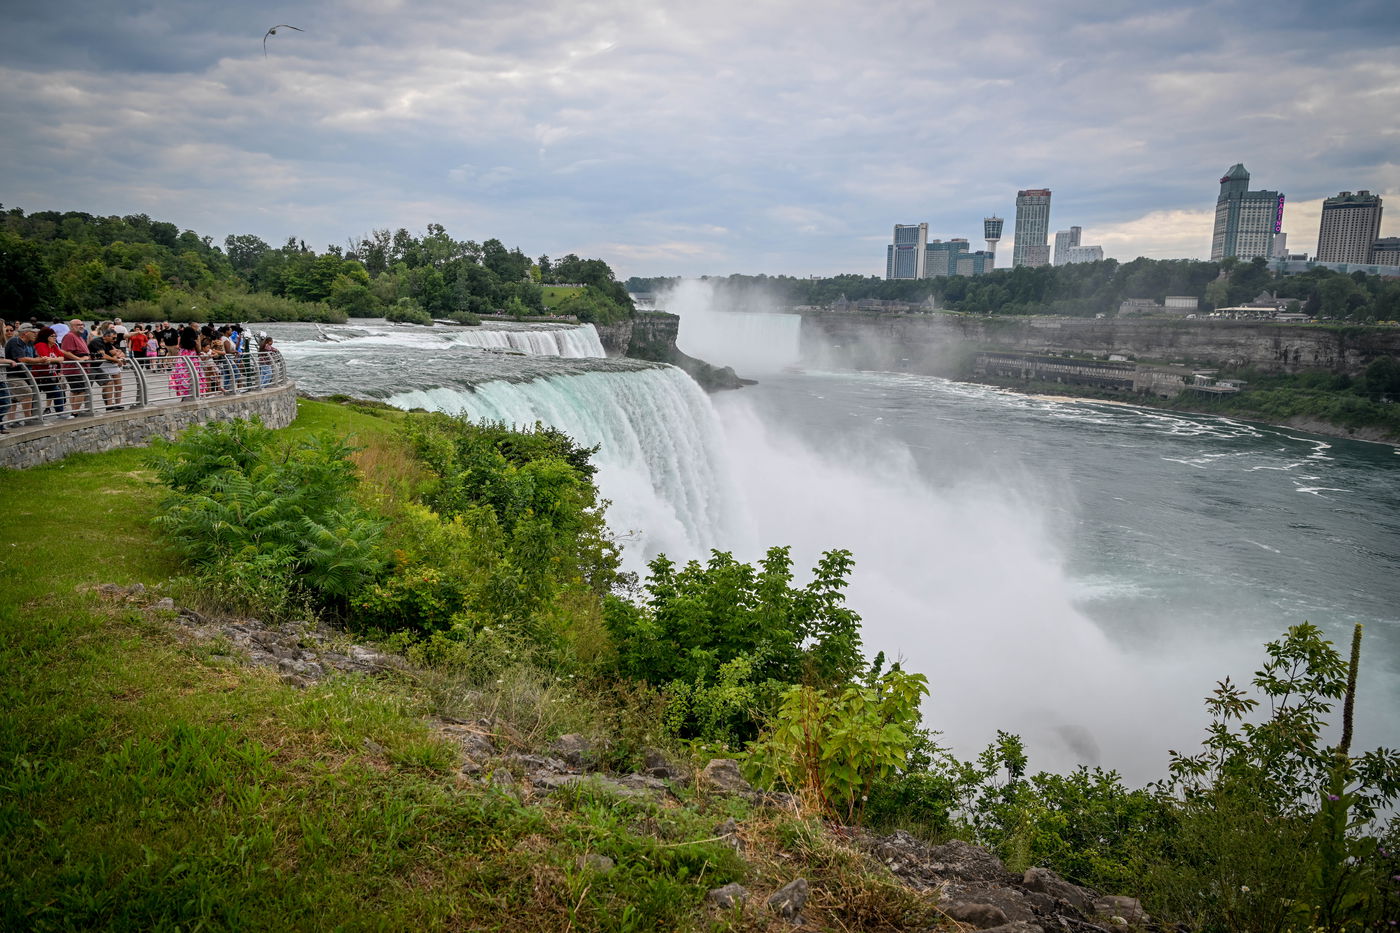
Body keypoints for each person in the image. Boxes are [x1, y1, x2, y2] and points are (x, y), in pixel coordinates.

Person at [4, 323, 46, 426]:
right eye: (33, 332)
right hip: (13, 374)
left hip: (25, 374)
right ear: (25, 333)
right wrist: (40, 360)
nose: (35, 334)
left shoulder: (30, 343)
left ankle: (12, 421)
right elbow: (21, 359)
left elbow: (36, 357)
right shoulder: (15, 341)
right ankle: (29, 419)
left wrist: (41, 359)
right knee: (26, 392)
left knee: (14, 398)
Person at [34, 326, 70, 418]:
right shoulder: (41, 345)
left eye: (55, 336)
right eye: (52, 336)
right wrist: (55, 359)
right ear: (46, 336)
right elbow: (44, 358)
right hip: (39, 376)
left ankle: (59, 412)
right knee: (34, 396)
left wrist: (52, 359)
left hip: (50, 375)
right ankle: (34, 416)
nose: (55, 338)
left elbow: (62, 358)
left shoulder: (54, 346)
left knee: (58, 392)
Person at [88, 326, 126, 411]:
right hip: (89, 366)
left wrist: (117, 357)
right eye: (113, 337)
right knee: (87, 388)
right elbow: (103, 355)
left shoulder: (108, 343)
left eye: (116, 338)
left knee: (108, 383)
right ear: (106, 336)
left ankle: (109, 406)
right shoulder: (97, 341)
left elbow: (115, 352)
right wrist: (116, 360)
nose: (115, 339)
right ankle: (86, 409)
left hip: (97, 366)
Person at [59, 319, 92, 414]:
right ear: (72, 326)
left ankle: (74, 411)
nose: (81, 326)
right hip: (74, 369)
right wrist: (78, 358)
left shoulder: (80, 337)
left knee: (75, 390)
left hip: (81, 369)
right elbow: (64, 351)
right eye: (78, 325)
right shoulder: (69, 336)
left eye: (82, 324)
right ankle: (75, 412)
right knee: (81, 390)